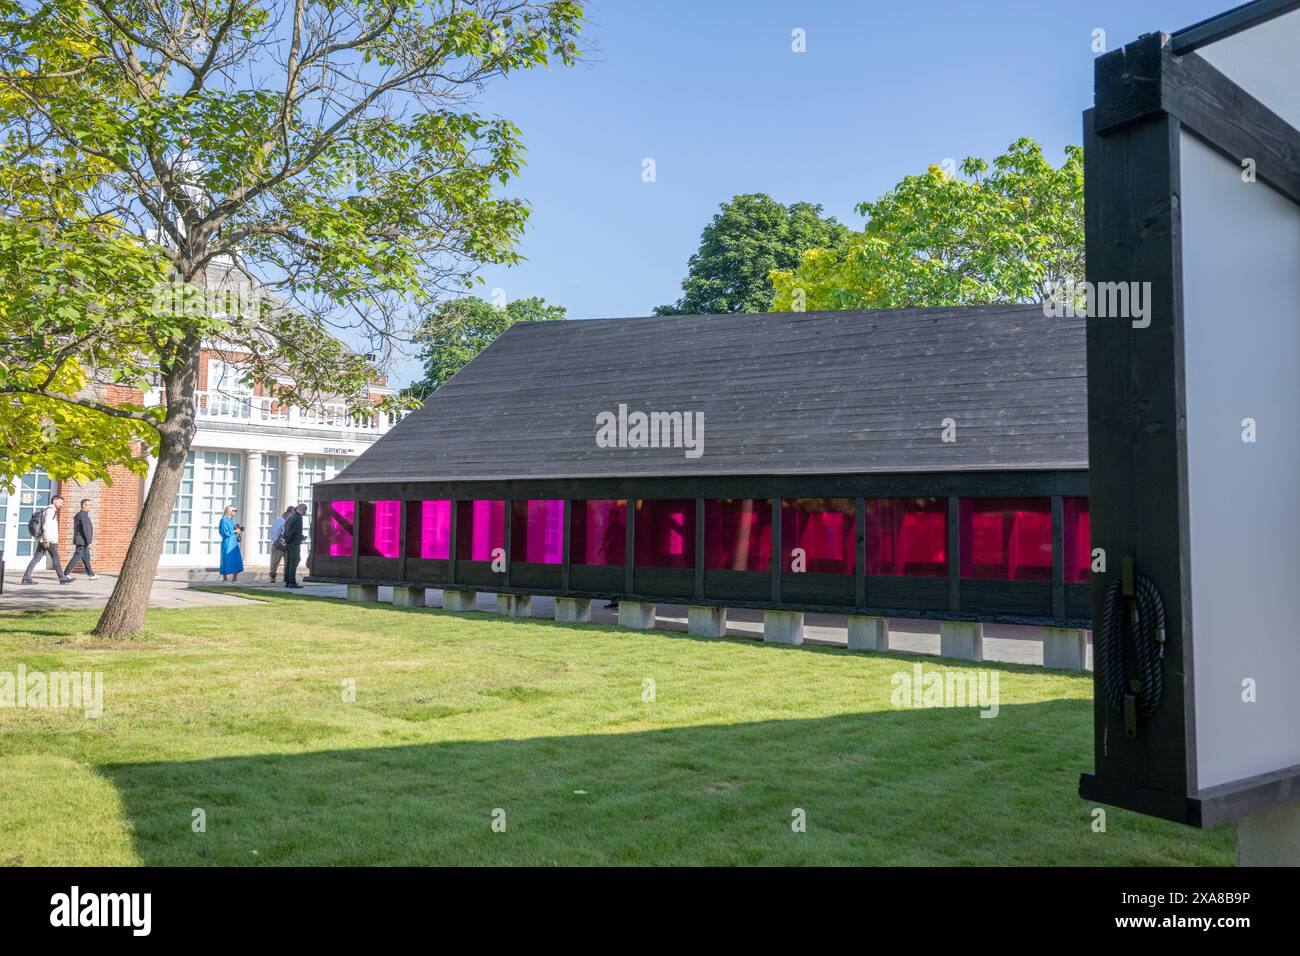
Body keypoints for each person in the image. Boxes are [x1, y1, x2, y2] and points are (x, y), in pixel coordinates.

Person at [20, 494, 71, 585]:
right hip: (48, 540)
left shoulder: (48, 510)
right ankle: (62, 577)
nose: (61, 504)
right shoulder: (50, 510)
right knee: (56, 557)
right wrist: (46, 539)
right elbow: (46, 526)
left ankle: (26, 577)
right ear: (54, 501)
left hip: (44, 539)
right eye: (60, 502)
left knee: (36, 558)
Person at [63, 498, 98, 579]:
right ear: (83, 505)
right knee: (76, 557)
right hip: (82, 541)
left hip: (82, 540)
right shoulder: (83, 515)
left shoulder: (80, 515)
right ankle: (65, 573)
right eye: (89, 505)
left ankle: (91, 574)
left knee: (86, 558)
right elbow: (86, 529)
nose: (90, 507)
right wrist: (89, 541)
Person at [283, 502, 307, 588]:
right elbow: (294, 531)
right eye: (305, 510)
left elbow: (286, 530)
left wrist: (286, 540)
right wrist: (290, 540)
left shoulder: (291, 517)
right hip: (294, 544)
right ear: (302, 509)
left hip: (289, 543)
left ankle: (287, 581)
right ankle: (292, 582)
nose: (306, 512)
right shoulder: (298, 518)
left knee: (289, 562)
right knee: (294, 562)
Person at [219, 504, 244, 583]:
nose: (235, 512)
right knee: (227, 558)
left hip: (234, 542)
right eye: (234, 510)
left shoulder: (232, 520)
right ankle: (225, 579)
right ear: (229, 511)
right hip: (227, 541)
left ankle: (235, 579)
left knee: (236, 559)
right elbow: (223, 532)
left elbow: (234, 530)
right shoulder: (223, 520)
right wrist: (234, 531)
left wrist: (238, 530)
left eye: (236, 510)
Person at [268, 506, 293, 582]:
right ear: (288, 512)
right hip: (278, 544)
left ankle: (286, 577)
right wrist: (275, 541)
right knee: (275, 561)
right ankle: (273, 576)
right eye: (292, 513)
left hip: (287, 544)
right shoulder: (279, 520)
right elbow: (274, 532)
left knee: (287, 561)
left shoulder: (289, 520)